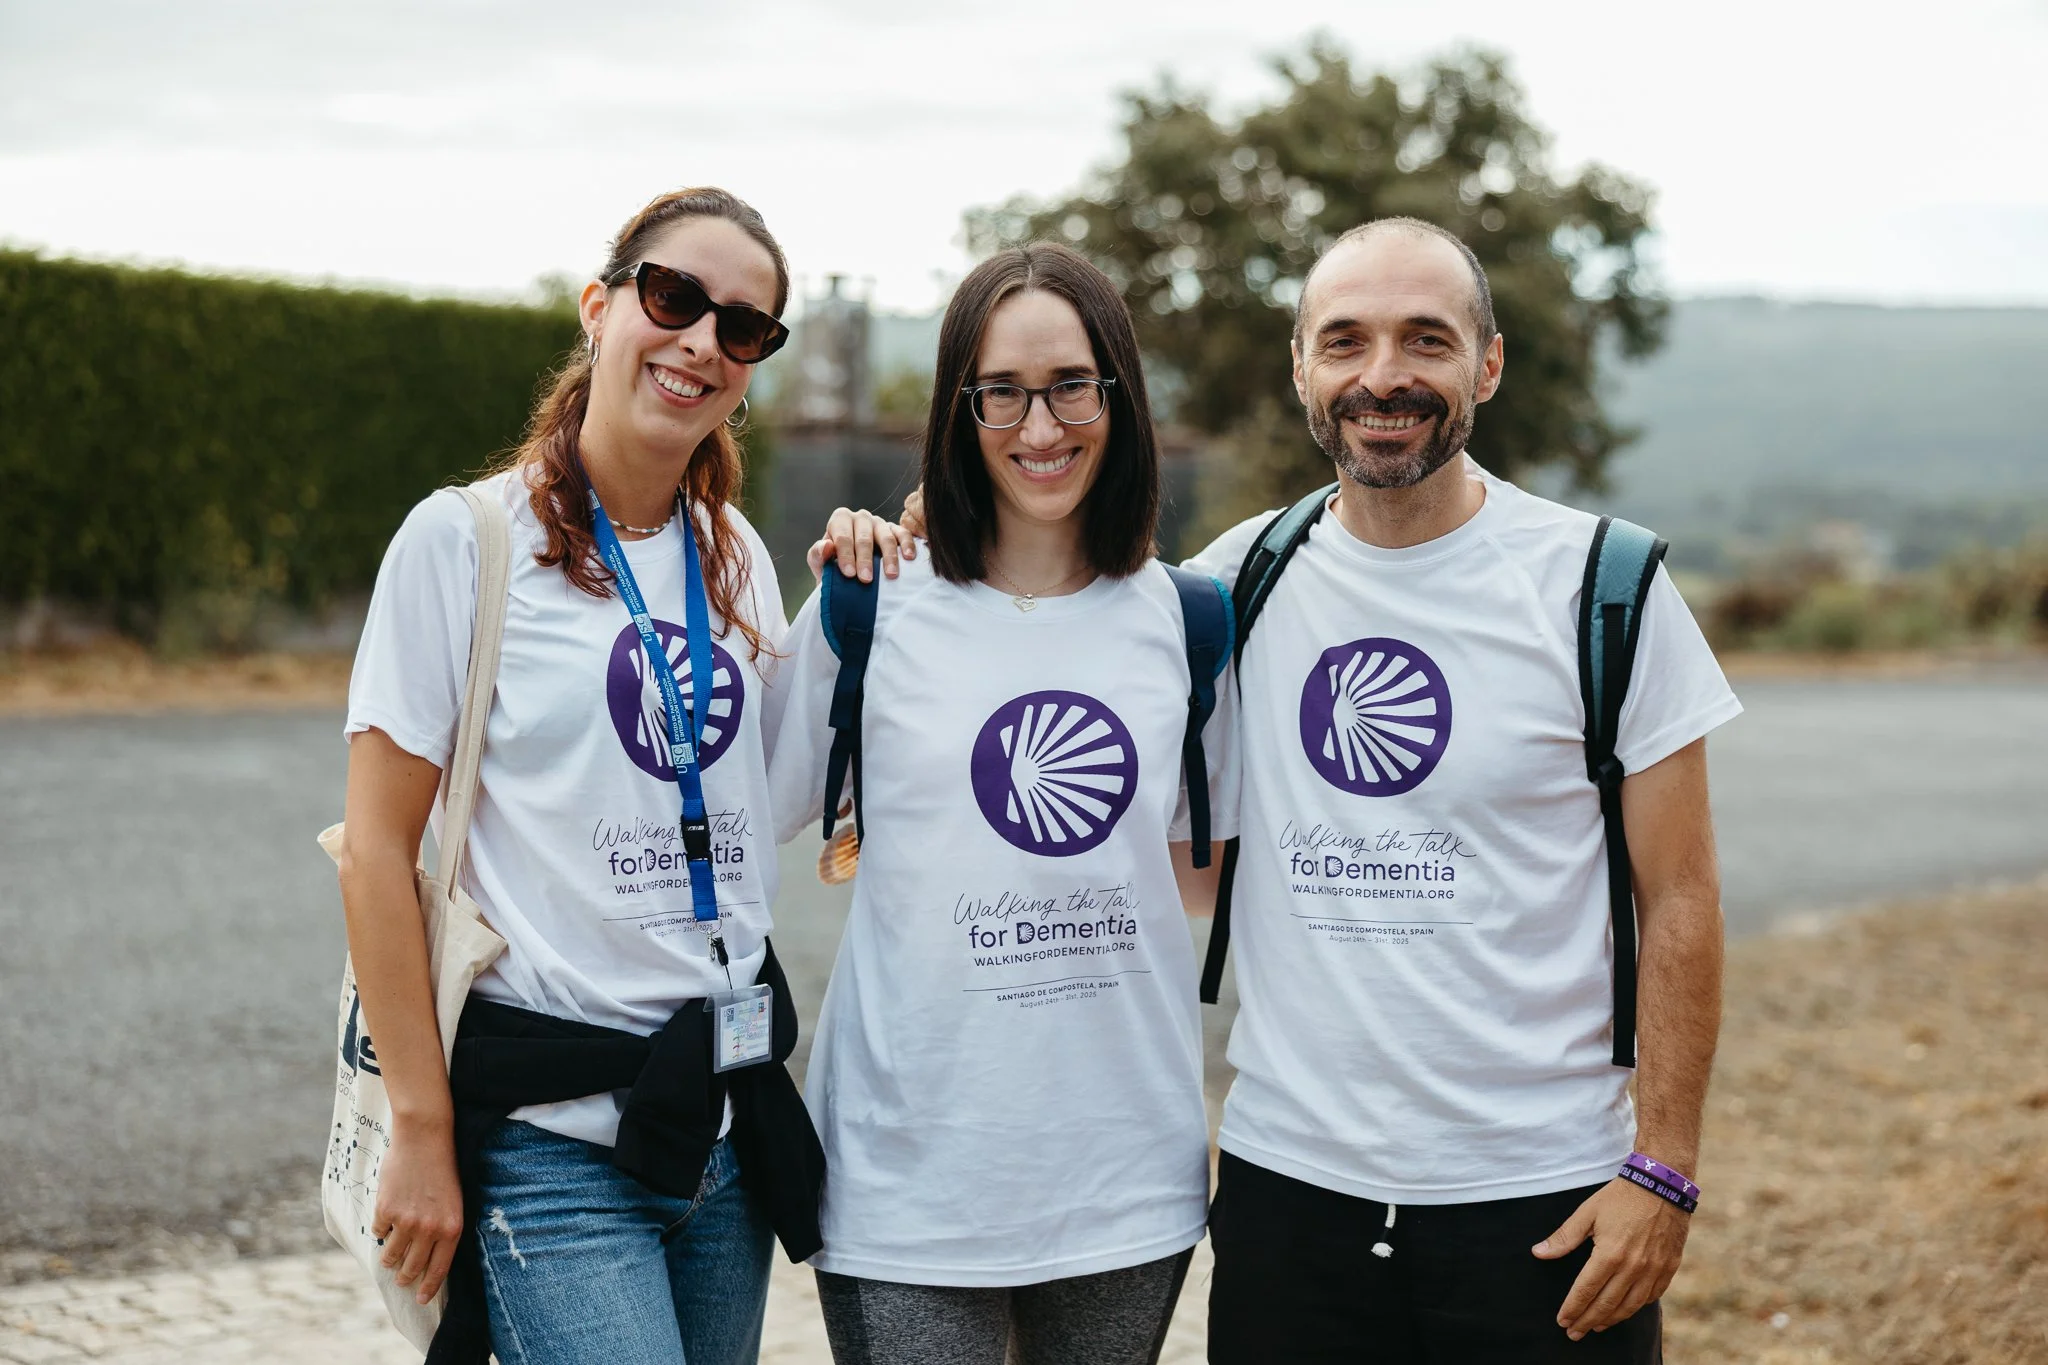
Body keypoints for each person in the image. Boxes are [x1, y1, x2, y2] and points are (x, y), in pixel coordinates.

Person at [851, 217, 1735, 1361]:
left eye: (1424, 339)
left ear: (1488, 363)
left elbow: (1682, 897)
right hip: (1287, 1203)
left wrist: (1660, 1172)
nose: (1383, 376)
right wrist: (919, 533)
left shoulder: (1599, 586)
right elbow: (1060, 626)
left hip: (1542, 1201)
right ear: (1301, 367)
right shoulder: (1227, 588)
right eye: (1344, 341)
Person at [337, 186, 820, 1365]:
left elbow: (759, 803)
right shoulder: (462, 543)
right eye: (674, 298)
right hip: (550, 1147)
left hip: (718, 1123)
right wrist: (418, 1128)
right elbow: (373, 854)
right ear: (601, 309)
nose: (702, 340)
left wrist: (860, 604)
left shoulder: (734, 557)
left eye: (743, 327)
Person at [765, 242, 1238, 1365]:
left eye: (1072, 384)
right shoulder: (866, 605)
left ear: (1117, 394)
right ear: (956, 407)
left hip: (1126, 1173)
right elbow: (753, 810)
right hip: (907, 1181)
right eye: (1001, 392)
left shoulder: (1186, 623)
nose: (1039, 428)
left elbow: (1210, 861)